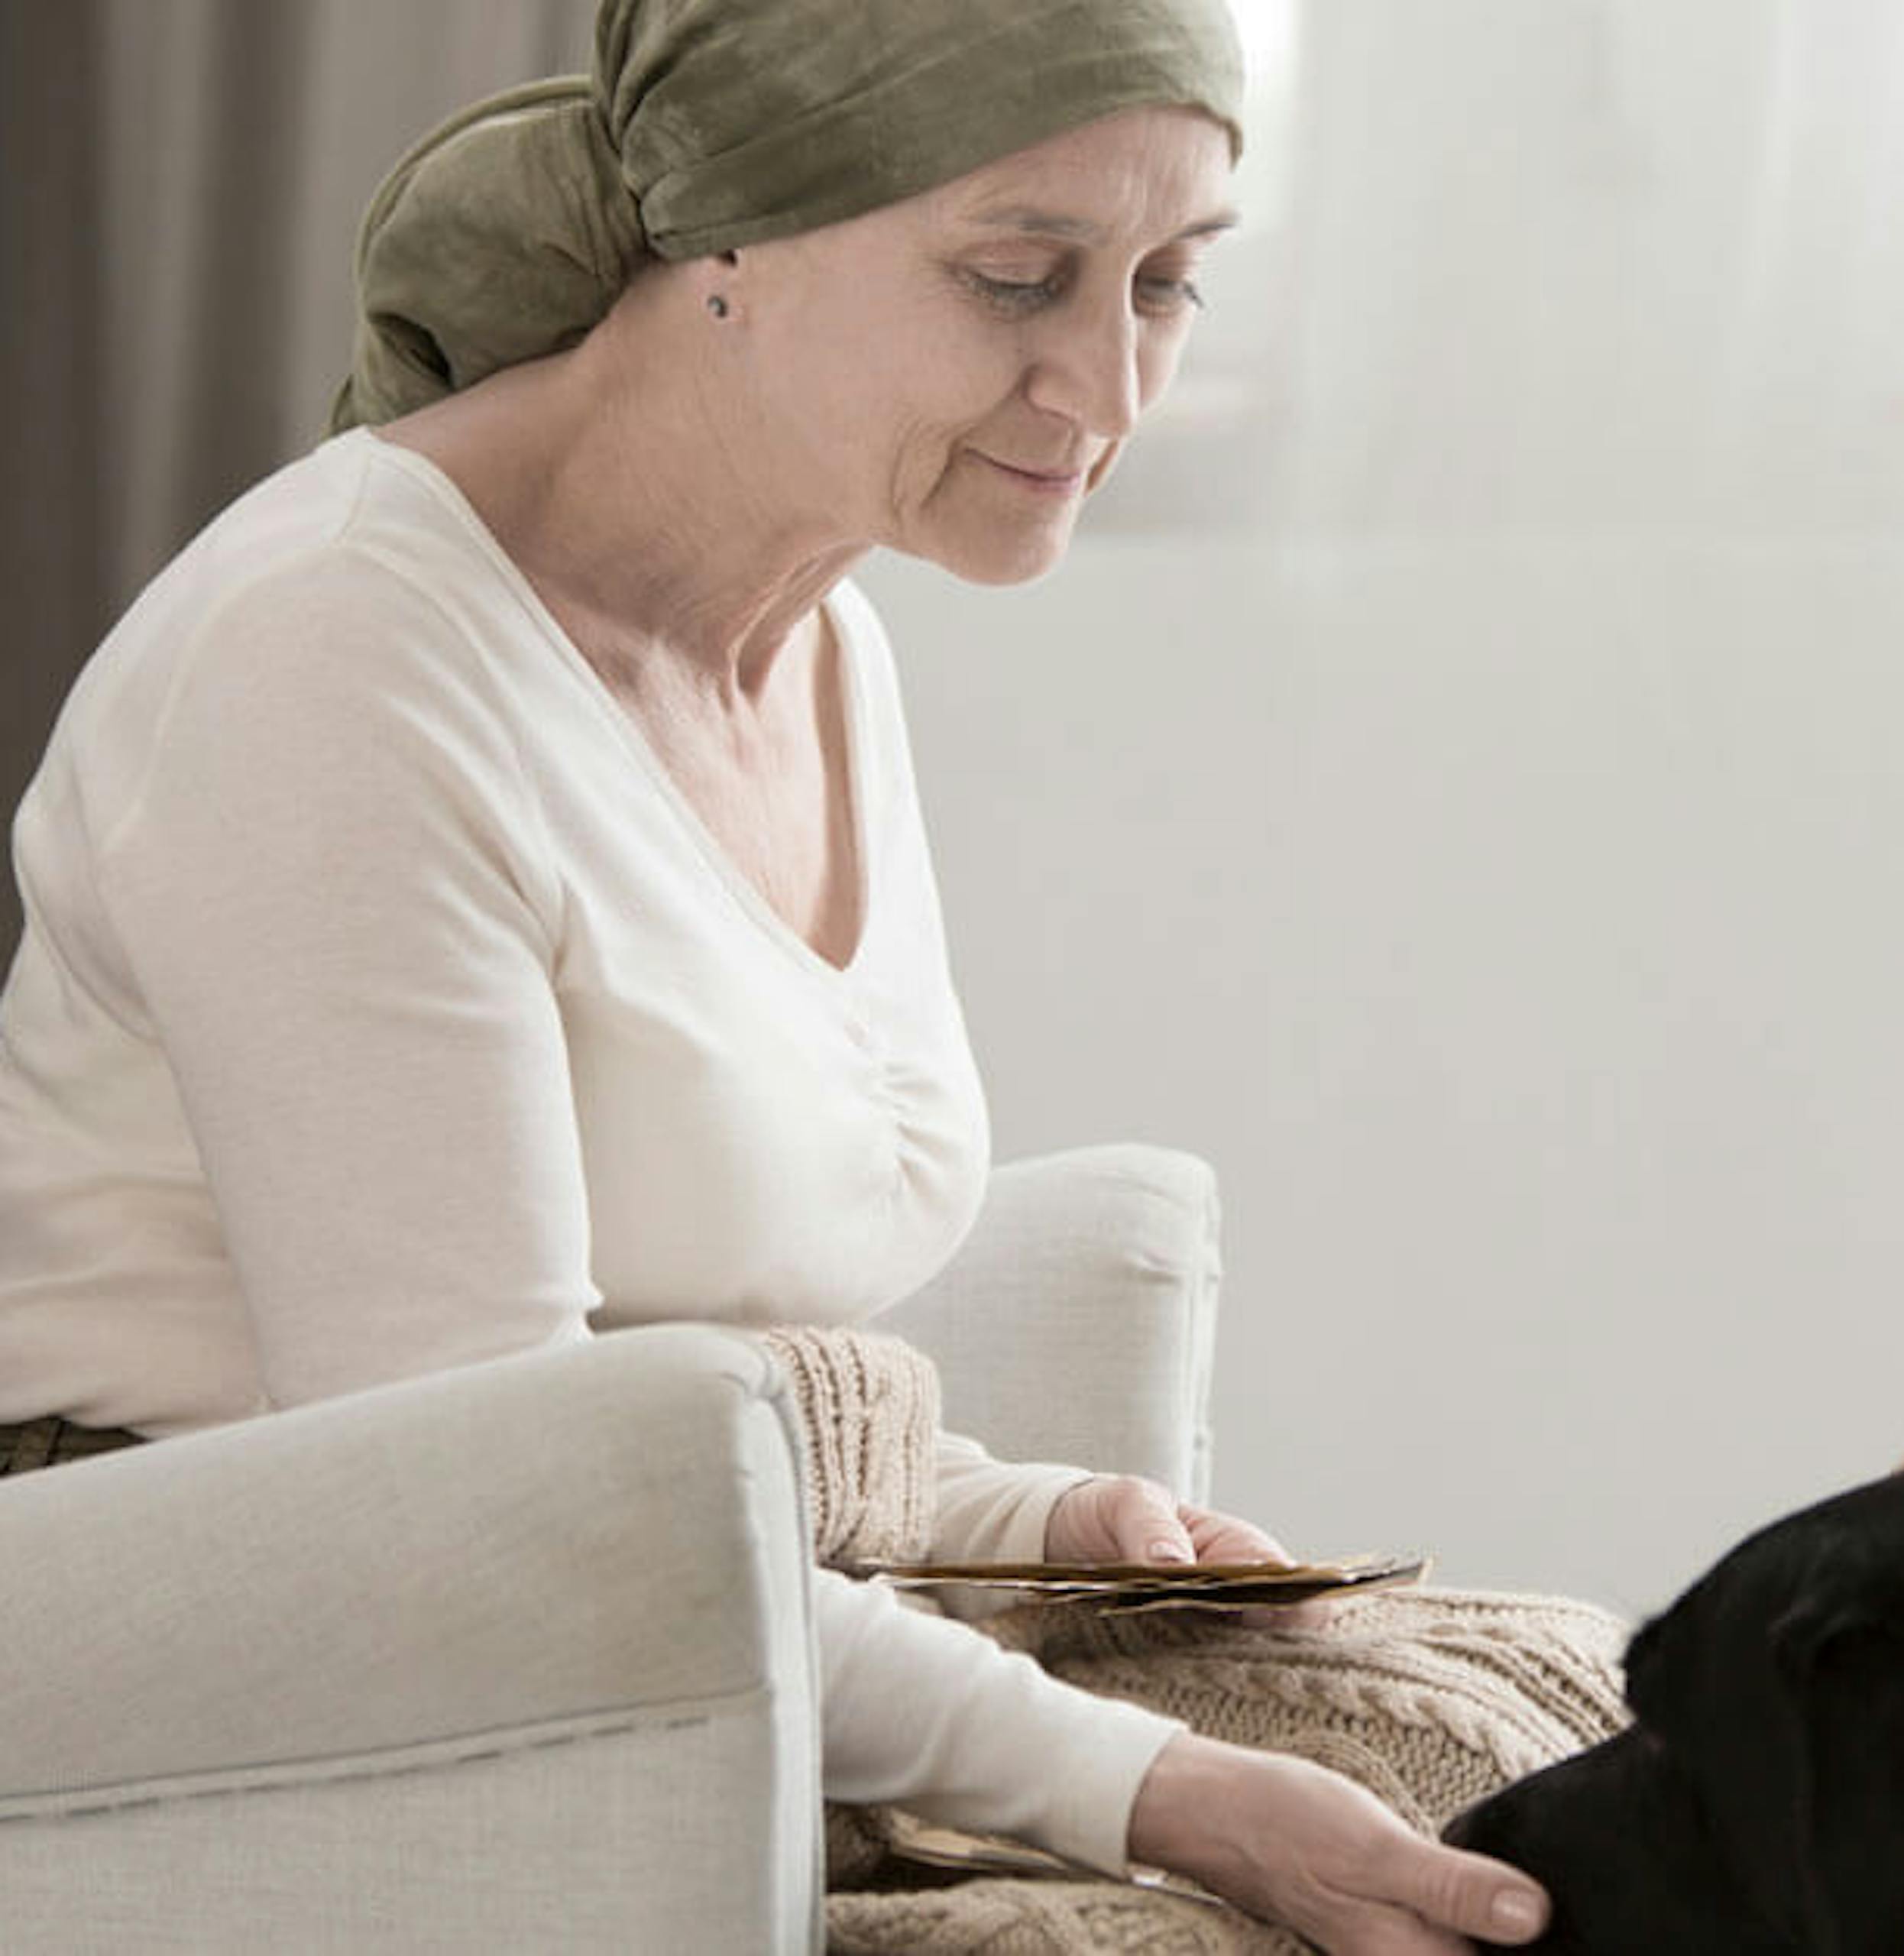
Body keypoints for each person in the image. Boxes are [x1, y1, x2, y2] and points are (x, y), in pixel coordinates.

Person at [0, 2, 1553, 1949]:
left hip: (624, 1604)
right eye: (1015, 275)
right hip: (254, 1670)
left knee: (1537, 1720)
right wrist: (1161, 1795)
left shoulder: (815, 644)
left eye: (1166, 284)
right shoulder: (336, 668)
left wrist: (1015, 1513)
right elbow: (494, 1507)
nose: (1105, 385)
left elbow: (663, 1348)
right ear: (723, 241)